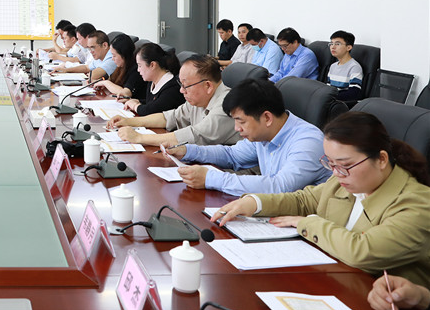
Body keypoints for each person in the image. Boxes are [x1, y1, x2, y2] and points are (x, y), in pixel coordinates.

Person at [212, 111, 430, 286]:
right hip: (334, 279)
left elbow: (363, 251)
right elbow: (305, 200)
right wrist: (254, 203)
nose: (336, 173)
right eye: (331, 164)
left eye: (344, 165)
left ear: (381, 159)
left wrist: (307, 223)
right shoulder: (346, 179)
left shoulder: (417, 204)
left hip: (376, 297)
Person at [169, 78, 331, 196]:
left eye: (241, 121)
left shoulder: (308, 141)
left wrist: (210, 178)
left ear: (267, 118)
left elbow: (280, 187)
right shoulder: (263, 134)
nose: (236, 128)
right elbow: (232, 155)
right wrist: (188, 151)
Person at [112, 55, 237, 147]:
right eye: (181, 84)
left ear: (208, 86)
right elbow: (170, 117)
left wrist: (139, 138)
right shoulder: (200, 98)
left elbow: (195, 135)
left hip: (227, 171)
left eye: (186, 86)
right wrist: (129, 121)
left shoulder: (227, 105)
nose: (181, 90)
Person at [112, 42, 184, 117]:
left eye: (140, 66)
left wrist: (135, 106)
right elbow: (151, 102)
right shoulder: (152, 82)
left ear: (152, 65)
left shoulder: (172, 88)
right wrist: (135, 101)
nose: (138, 70)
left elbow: (151, 110)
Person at [98, 34, 145, 98]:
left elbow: (125, 93)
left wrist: (105, 83)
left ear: (123, 55)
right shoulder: (120, 67)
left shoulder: (136, 70)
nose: (112, 58)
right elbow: (109, 79)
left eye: (114, 55)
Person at [327, 30, 364, 101]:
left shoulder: (354, 67)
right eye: (331, 43)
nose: (332, 47)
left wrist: (329, 97)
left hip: (342, 103)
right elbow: (328, 88)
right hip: (330, 100)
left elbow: (354, 92)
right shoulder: (333, 66)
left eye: (337, 44)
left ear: (348, 47)